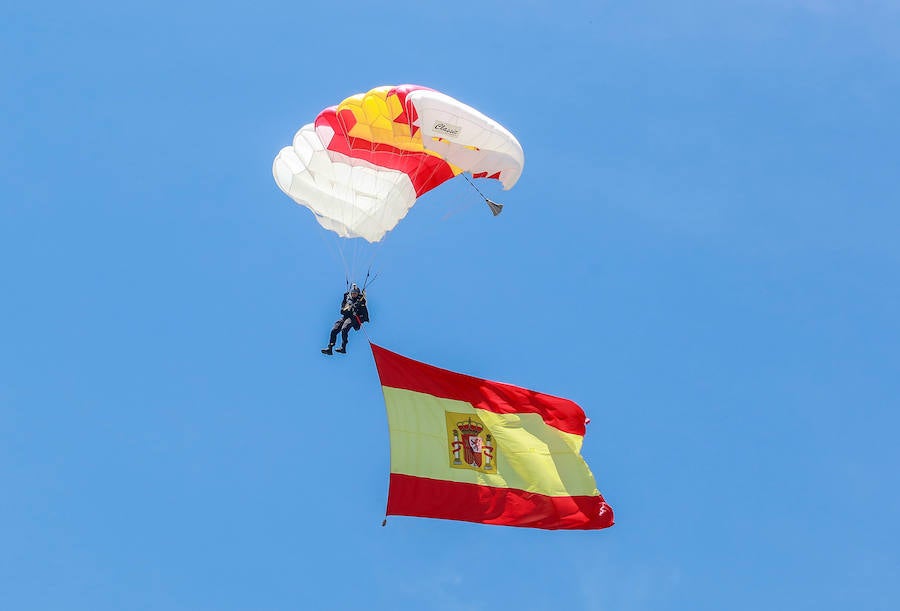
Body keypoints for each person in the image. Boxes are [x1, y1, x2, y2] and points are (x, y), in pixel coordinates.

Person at [322, 284, 369, 355]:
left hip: (353, 318)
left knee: (344, 329)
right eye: (352, 293)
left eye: (355, 293)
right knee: (334, 330)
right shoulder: (348, 300)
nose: (353, 294)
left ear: (358, 293)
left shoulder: (361, 301)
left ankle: (343, 347)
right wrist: (346, 304)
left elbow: (365, 315)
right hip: (345, 317)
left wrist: (360, 306)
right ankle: (330, 348)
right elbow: (342, 310)